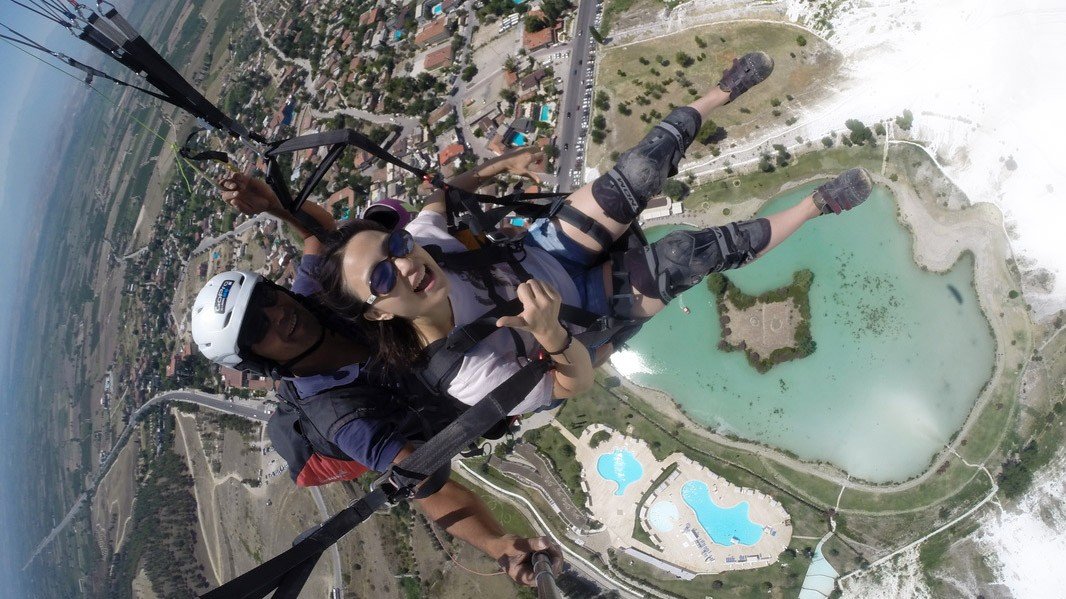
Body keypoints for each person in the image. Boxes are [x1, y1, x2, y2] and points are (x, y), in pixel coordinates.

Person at [314, 51, 874, 415]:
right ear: (379, 311)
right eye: (385, 275)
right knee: (690, 254)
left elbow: (441, 195)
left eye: (394, 247)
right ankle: (819, 205)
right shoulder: (462, 372)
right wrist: (552, 334)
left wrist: (502, 167)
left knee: (639, 171)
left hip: (542, 251)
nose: (406, 261)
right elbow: (570, 385)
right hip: (584, 314)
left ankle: (720, 91)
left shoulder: (425, 241)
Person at [190, 168, 563, 586]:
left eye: (267, 298)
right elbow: (424, 482)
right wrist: (499, 545)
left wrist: (276, 207)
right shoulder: (340, 416)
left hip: (464, 328)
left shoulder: (315, 301)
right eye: (259, 330)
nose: (278, 315)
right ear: (258, 362)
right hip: (478, 384)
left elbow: (322, 237)